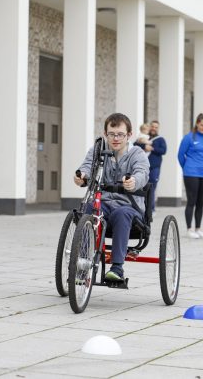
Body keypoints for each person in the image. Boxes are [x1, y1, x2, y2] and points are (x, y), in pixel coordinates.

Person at [75, 113, 150, 282]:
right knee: (87, 209)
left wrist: (133, 181)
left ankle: (117, 268)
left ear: (129, 135)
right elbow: (87, 166)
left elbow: (142, 173)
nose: (115, 138)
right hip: (103, 204)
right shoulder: (99, 149)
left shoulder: (138, 154)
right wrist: (81, 176)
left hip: (129, 207)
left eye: (120, 135)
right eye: (111, 134)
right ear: (105, 133)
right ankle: (82, 263)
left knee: (121, 213)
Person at [178, 113, 203, 239]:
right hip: (191, 173)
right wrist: (188, 167)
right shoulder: (189, 138)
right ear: (197, 124)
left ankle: (198, 228)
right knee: (191, 201)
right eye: (202, 125)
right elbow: (180, 155)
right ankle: (189, 229)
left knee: (201, 202)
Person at [135, 120, 166, 212]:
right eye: (152, 126)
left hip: (154, 167)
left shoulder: (160, 139)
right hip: (142, 167)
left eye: (156, 127)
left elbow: (163, 150)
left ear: (158, 128)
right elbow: (135, 145)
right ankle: (141, 207)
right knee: (141, 186)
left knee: (152, 187)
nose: (153, 128)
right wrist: (144, 147)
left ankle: (151, 208)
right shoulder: (142, 137)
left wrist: (152, 148)